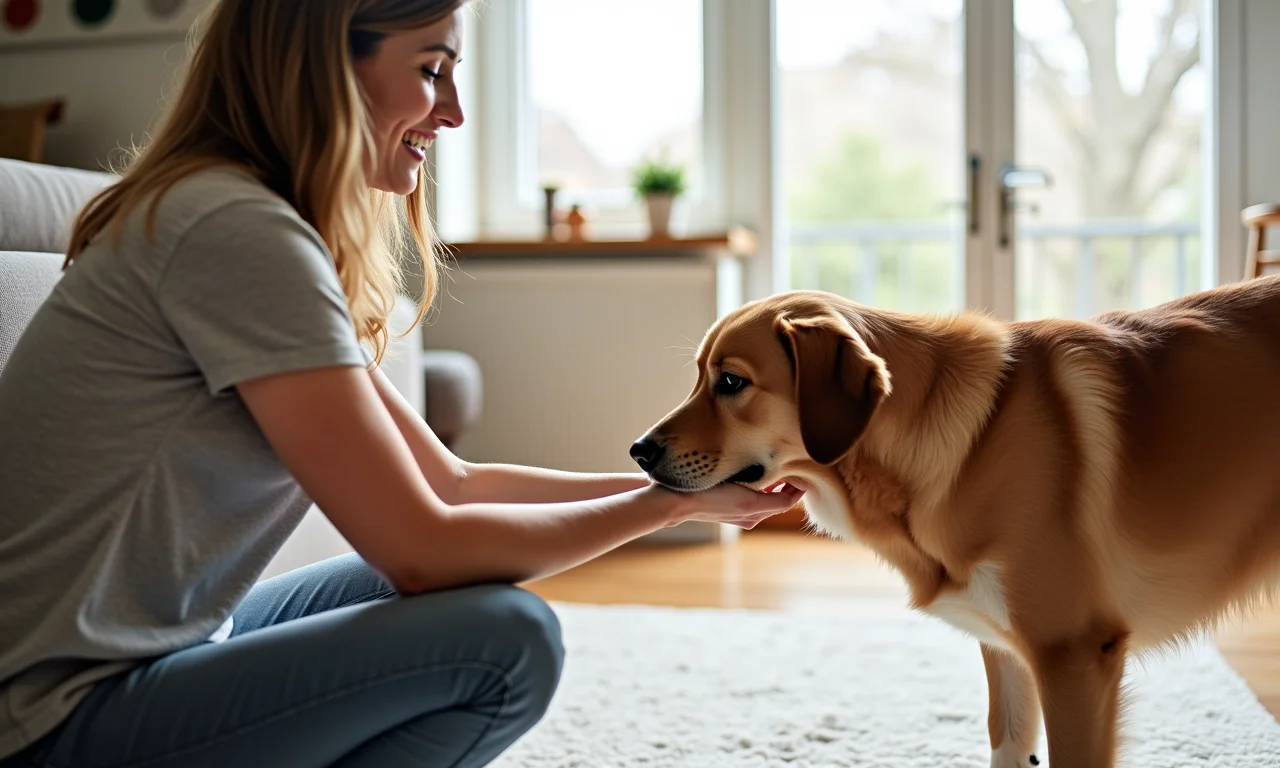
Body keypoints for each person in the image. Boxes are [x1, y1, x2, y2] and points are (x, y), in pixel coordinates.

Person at [0, 1, 803, 766]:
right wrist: (664, 506)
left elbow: (451, 484)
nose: (452, 112)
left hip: (150, 654)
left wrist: (688, 495)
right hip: (52, 719)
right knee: (506, 644)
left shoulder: (240, 219)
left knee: (464, 584)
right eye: (431, 70)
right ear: (321, 67)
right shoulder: (233, 233)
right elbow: (422, 550)